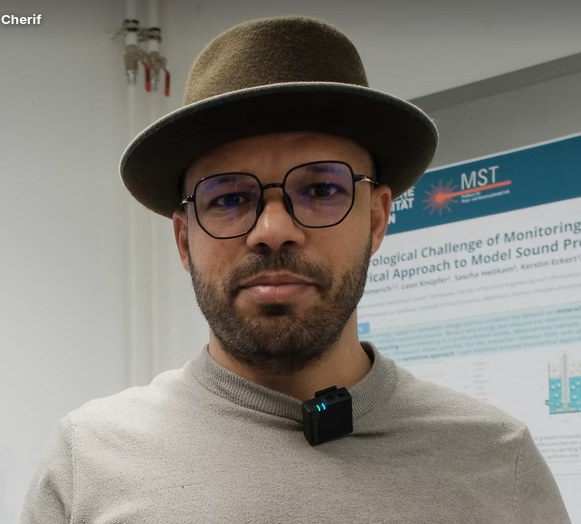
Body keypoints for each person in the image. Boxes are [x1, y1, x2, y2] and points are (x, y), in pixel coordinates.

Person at [21, 15, 571, 524]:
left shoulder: (495, 462)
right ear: (185, 239)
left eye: (322, 190)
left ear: (376, 219)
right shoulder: (89, 461)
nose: (272, 229)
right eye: (229, 198)